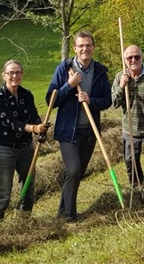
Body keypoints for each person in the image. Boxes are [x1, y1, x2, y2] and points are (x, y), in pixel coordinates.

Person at [47, 30, 113, 221]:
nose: (85, 49)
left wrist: (90, 100)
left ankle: (62, 212)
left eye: (88, 45)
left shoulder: (100, 71)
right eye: (81, 46)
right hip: (68, 130)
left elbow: (107, 100)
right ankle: (69, 215)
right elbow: (51, 99)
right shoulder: (63, 69)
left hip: (90, 131)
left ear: (93, 47)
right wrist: (69, 85)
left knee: (77, 173)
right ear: (75, 48)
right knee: (73, 169)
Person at [0, 60, 49, 221]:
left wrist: (40, 129)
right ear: (4, 76)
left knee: (29, 193)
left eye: (18, 72)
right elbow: (8, 122)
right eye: (10, 73)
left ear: (22, 74)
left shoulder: (26, 94)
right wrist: (32, 129)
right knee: (4, 196)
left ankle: (23, 225)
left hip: (26, 149)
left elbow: (33, 115)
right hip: (4, 150)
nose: (14, 76)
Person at [112, 44, 144, 187]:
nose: (133, 60)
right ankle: (137, 186)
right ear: (125, 60)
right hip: (130, 128)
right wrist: (121, 87)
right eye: (130, 57)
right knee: (131, 161)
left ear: (142, 58)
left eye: (137, 57)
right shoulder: (120, 77)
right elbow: (114, 103)